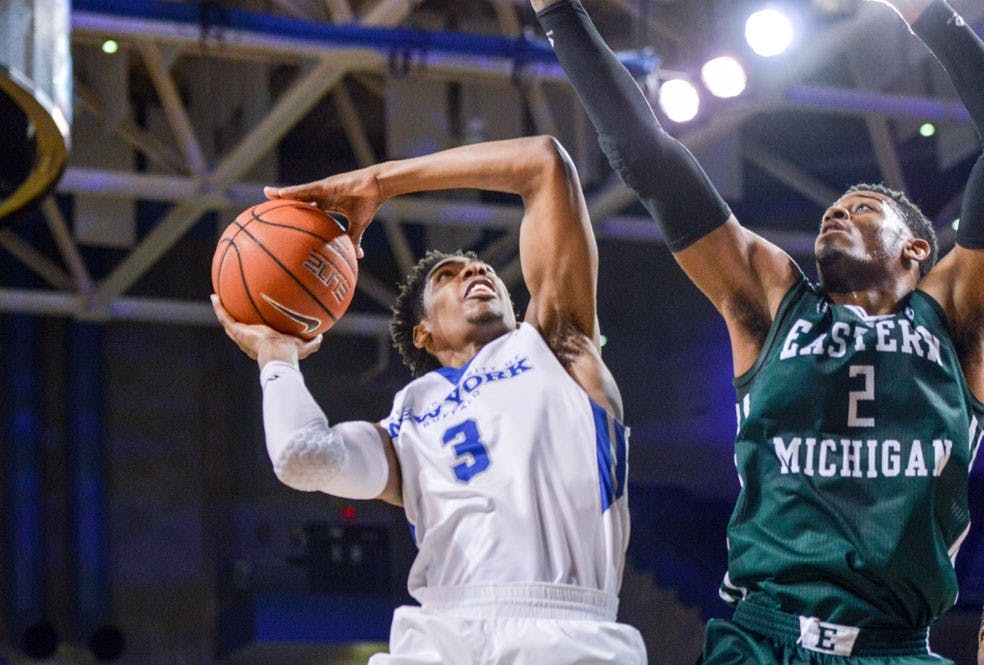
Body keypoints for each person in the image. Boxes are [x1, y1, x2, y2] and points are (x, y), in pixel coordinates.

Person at [531, 0, 984, 661]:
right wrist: (558, 14)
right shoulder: (772, 303)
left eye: (862, 207)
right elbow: (645, 156)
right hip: (764, 637)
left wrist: (927, 14)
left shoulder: (956, 315)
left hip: (896, 645)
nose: (837, 212)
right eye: (834, 206)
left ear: (918, 249)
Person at [211, 135, 647, 665]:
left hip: (567, 635)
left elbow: (545, 163)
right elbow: (303, 456)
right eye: (449, 274)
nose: (477, 271)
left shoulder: (558, 347)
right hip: (440, 635)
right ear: (423, 333)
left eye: (482, 270)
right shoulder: (407, 422)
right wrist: (277, 358)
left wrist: (380, 182)